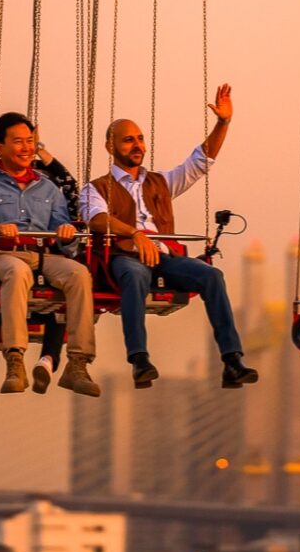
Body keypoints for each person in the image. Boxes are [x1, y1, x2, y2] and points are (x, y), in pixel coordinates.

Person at [79, 84, 258, 389]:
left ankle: (232, 360)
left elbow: (200, 162)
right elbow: (96, 218)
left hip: (163, 257)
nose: (137, 145)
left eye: (140, 139)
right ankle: (139, 359)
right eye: (128, 140)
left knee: (212, 276)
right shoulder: (96, 188)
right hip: (125, 256)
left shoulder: (160, 182)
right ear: (110, 147)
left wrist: (223, 123)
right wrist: (135, 234)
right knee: (134, 276)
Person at [0, 112, 100, 397]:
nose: (26, 148)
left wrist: (67, 233)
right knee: (17, 271)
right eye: (18, 142)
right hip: (3, 254)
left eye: (30, 141)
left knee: (79, 274)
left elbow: (62, 228)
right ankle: (15, 359)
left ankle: (78, 363)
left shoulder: (49, 189)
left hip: (43, 254)